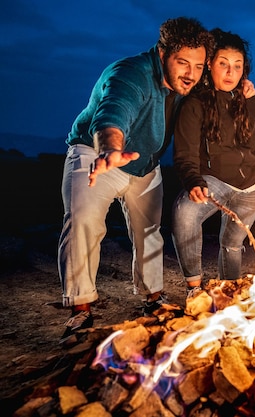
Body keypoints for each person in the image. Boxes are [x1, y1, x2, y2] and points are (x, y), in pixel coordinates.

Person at [58, 17, 213, 345]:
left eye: (198, 66)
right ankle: (81, 306)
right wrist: (110, 149)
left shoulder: (189, 85)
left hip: (144, 166)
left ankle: (152, 297)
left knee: (149, 233)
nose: (191, 73)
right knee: (84, 223)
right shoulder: (131, 73)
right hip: (97, 157)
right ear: (162, 54)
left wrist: (243, 86)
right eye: (182, 62)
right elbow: (113, 111)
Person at [171, 28, 255, 298]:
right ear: (210, 65)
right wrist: (193, 180)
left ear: (244, 70)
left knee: (232, 243)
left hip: (251, 186)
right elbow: (185, 151)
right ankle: (194, 287)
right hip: (215, 181)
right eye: (223, 64)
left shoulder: (250, 102)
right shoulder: (194, 103)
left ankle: (230, 291)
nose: (230, 73)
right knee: (184, 213)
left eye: (237, 66)